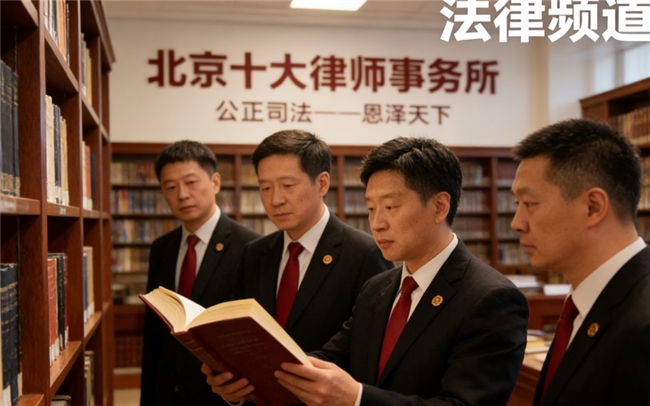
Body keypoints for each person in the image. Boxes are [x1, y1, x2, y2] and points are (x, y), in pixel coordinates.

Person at [205, 136, 529, 406]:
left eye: (390, 207)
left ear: (439, 206)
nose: (377, 222)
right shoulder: (379, 287)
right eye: (371, 208)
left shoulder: (491, 298)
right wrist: (246, 375)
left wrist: (357, 398)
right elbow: (331, 357)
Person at [509, 118, 650, 406]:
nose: (516, 223)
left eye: (530, 204)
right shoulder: (584, 303)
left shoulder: (643, 325)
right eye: (517, 205)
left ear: (592, 207)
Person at [232, 129, 393, 353]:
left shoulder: (364, 253)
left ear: (322, 184)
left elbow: (371, 341)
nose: (276, 200)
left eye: (288, 185)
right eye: (266, 188)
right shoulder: (254, 253)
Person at [140, 140, 260, 406]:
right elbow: (154, 334)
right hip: (166, 391)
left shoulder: (250, 247)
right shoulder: (161, 248)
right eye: (171, 187)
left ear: (215, 182)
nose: (182, 194)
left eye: (191, 182)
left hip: (220, 396)